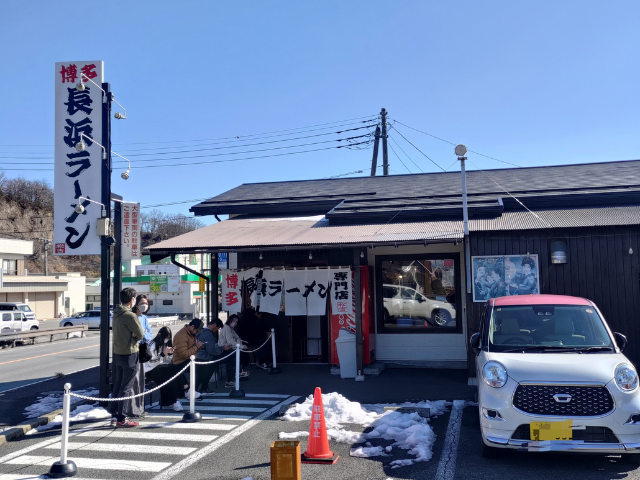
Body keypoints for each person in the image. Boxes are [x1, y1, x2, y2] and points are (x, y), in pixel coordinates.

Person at [111, 287, 144, 428]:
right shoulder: (130, 316)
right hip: (130, 353)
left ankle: (115, 415)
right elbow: (141, 335)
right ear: (132, 300)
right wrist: (134, 335)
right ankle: (122, 418)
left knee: (118, 384)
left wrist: (132, 334)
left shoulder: (116, 313)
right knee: (126, 387)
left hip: (118, 352)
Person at [145, 326, 189, 411]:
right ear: (160, 335)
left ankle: (175, 400)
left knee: (173, 372)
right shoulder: (152, 344)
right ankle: (185, 389)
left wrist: (169, 354)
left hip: (161, 368)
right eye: (166, 337)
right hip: (150, 370)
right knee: (172, 371)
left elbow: (166, 361)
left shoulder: (165, 344)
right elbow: (150, 363)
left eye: (168, 338)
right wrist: (162, 354)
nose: (166, 340)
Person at [195, 318, 233, 392]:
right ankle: (199, 389)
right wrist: (222, 348)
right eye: (218, 328)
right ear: (214, 325)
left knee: (201, 375)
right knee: (203, 374)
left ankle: (201, 389)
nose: (217, 330)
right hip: (205, 357)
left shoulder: (201, 331)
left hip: (198, 356)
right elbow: (211, 351)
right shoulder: (208, 335)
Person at [172, 318, 206, 398]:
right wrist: (196, 347)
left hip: (189, 359)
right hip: (180, 361)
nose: (197, 332)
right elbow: (183, 354)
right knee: (203, 367)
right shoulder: (182, 335)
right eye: (197, 330)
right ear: (192, 326)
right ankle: (190, 390)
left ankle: (193, 389)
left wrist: (199, 346)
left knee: (206, 365)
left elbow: (192, 349)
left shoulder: (191, 333)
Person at [131, 294, 153, 418]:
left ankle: (139, 408)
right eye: (142, 303)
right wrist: (142, 335)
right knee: (135, 380)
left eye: (146, 303)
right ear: (136, 304)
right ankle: (134, 409)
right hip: (134, 350)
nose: (144, 305)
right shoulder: (133, 317)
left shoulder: (144, 318)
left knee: (141, 380)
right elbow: (136, 335)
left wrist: (142, 335)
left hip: (142, 350)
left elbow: (149, 334)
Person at [218, 314, 250, 383]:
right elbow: (230, 341)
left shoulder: (230, 328)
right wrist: (241, 346)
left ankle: (239, 372)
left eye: (236, 322)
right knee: (240, 355)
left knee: (242, 354)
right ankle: (238, 372)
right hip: (225, 348)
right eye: (234, 321)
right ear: (230, 320)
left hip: (231, 347)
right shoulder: (226, 327)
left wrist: (240, 345)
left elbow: (237, 337)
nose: (235, 323)